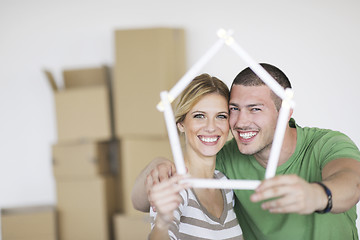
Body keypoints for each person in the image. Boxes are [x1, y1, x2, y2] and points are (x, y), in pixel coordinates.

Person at [132, 64, 360, 240]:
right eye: (234, 110)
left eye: (255, 109)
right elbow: (145, 202)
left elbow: (353, 183)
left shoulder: (326, 143)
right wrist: (158, 165)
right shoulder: (223, 159)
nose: (241, 121)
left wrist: (316, 195)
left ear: (286, 112)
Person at [148, 73, 243, 239]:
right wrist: (162, 222)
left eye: (221, 116)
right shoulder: (175, 186)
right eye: (200, 116)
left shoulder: (225, 184)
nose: (211, 127)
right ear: (181, 124)